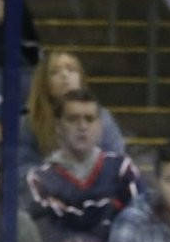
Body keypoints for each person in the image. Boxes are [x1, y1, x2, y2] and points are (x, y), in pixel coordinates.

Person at [27, 90, 142, 242]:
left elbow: (138, 222)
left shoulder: (122, 169)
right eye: (73, 119)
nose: (82, 126)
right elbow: (49, 239)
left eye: (89, 119)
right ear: (58, 127)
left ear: (100, 126)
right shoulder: (40, 178)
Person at [19, 48, 127, 181]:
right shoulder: (30, 122)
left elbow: (116, 160)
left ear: (81, 78)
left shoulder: (102, 117)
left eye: (71, 70)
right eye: (55, 72)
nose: (65, 75)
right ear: (44, 82)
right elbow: (21, 169)